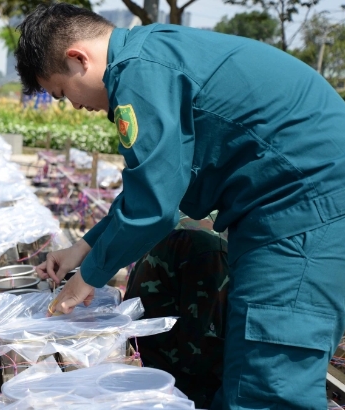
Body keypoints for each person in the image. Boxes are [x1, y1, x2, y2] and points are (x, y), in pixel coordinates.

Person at [26, 4, 345, 409]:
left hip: (304, 209)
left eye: (61, 92)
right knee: (249, 367)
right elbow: (155, 184)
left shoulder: (137, 74)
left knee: (268, 383)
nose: (72, 105)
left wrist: (87, 278)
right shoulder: (150, 56)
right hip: (288, 205)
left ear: (77, 59)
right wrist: (84, 247)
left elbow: (155, 208)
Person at [124, 228, 229, 408]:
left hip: (146, 369)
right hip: (175, 387)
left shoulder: (182, 227)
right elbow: (199, 351)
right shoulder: (211, 250)